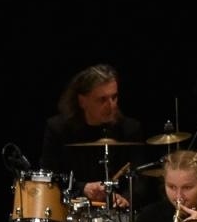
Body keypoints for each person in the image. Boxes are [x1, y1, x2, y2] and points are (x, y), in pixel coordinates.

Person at [38, 63, 145, 210]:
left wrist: (126, 198)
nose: (111, 105)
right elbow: (49, 177)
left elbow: (141, 178)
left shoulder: (130, 129)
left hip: (118, 213)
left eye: (114, 97)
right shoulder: (59, 129)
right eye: (102, 100)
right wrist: (82, 188)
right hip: (71, 212)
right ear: (82, 101)